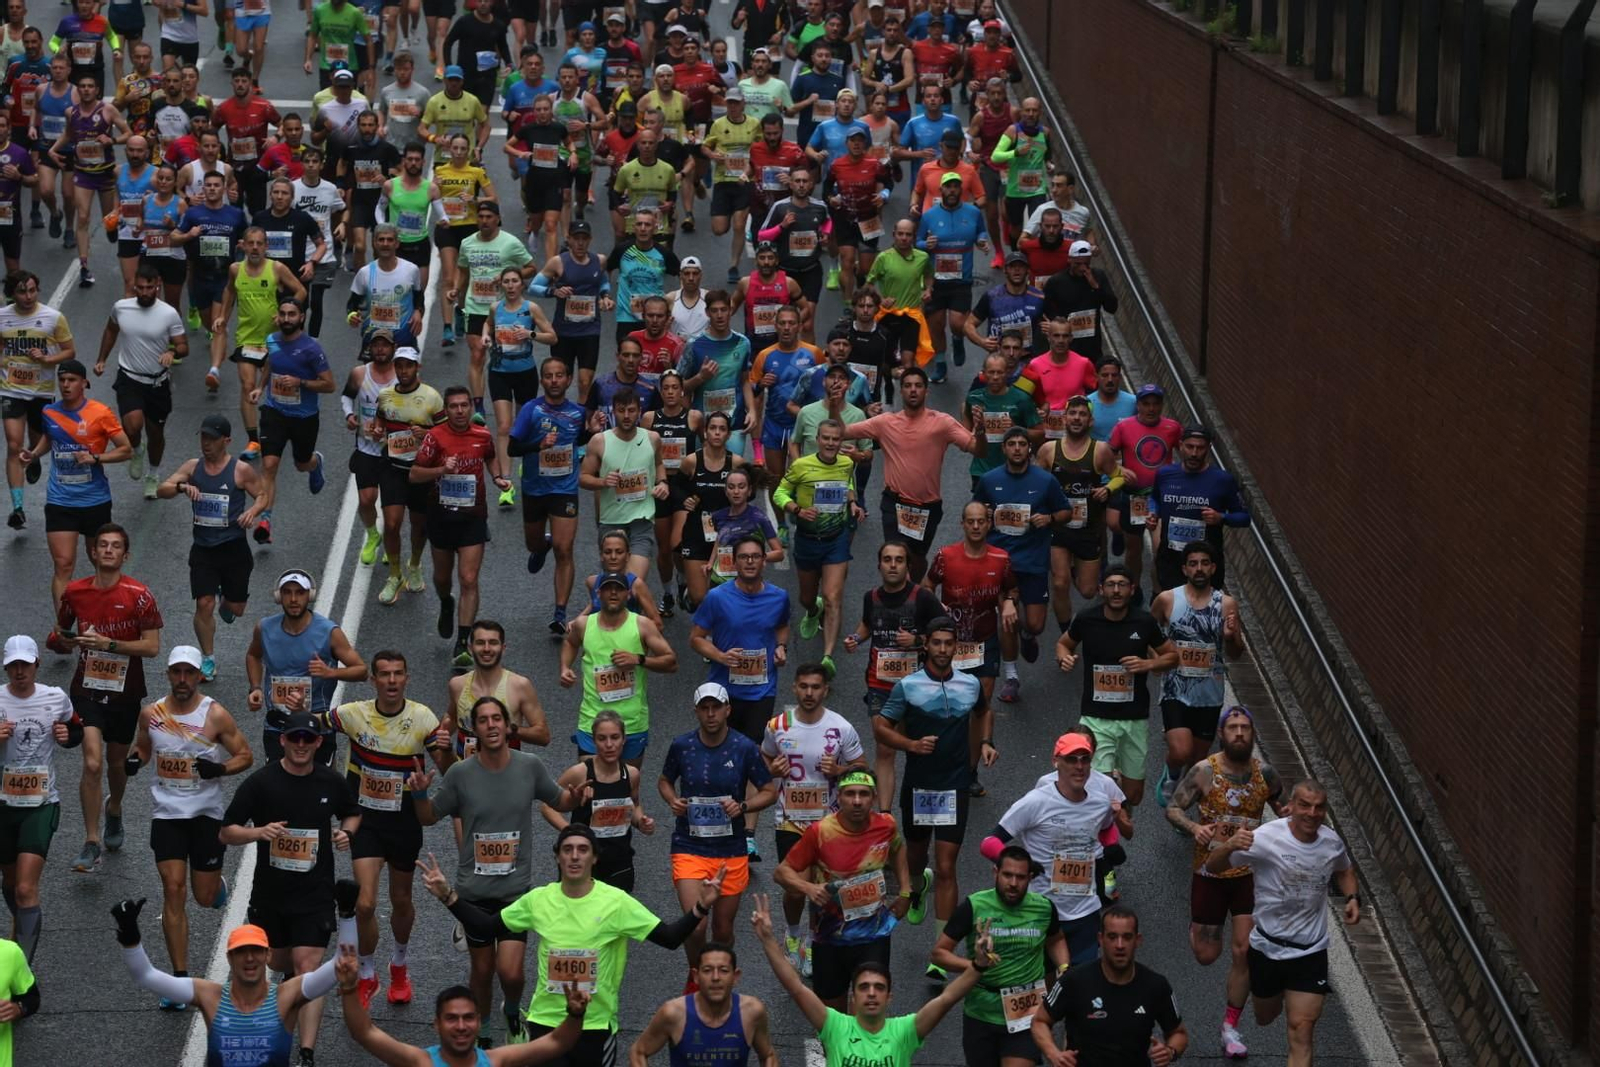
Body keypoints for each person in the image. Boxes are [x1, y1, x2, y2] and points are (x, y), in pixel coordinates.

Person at [421, 822, 732, 1066]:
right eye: (567, 849)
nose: (574, 856)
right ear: (557, 856)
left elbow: (669, 938)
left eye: (583, 850)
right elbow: (487, 927)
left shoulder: (615, 902)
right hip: (546, 1022)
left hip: (594, 1026)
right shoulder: (539, 900)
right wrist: (448, 896)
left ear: (594, 858)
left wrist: (701, 907)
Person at [408, 695, 588, 1048]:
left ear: (508, 726)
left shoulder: (530, 766)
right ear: (474, 729)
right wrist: (419, 794)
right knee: (482, 970)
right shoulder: (461, 774)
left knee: (510, 972)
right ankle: (485, 1030)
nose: (491, 725)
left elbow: (559, 800)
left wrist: (576, 797)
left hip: (514, 891)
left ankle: (512, 1010)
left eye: (497, 719)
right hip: (473, 892)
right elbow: (429, 816)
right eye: (483, 720)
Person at [218, 710, 361, 1065]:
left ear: (317, 743)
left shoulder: (330, 781)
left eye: (307, 739)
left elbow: (353, 812)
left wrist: (347, 832)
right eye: (294, 738)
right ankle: (286, 994)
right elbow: (226, 831)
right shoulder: (261, 783)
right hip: (271, 894)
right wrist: (258, 833)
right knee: (282, 963)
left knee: (308, 969)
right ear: (282, 740)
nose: (300, 745)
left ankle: (306, 1051)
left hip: (315, 893)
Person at [125, 645, 253, 1008]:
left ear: (199, 676)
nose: (182, 680)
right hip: (166, 814)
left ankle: (218, 889)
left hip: (205, 815)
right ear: (168, 675)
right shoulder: (152, 714)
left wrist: (220, 769)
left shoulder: (214, 715)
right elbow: (144, 747)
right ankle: (179, 983)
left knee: (203, 896)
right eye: (176, 673)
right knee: (173, 889)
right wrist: (137, 759)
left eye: (189, 673)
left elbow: (245, 754)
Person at [324, 649, 449, 1008]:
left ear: (406, 677)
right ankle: (366, 972)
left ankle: (399, 963)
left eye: (398, 674)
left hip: (404, 823)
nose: (392, 681)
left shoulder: (422, 718)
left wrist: (445, 752)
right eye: (384, 675)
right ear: (373, 679)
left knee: (401, 901)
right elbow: (310, 727)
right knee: (363, 905)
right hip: (366, 822)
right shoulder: (353, 714)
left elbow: (449, 767)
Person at [1202, 778, 1358, 1066]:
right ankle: (1251, 1008)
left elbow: (1345, 869)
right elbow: (1213, 866)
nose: (1312, 813)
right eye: (1305, 806)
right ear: (1290, 807)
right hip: (1267, 948)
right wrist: (1229, 845)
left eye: (1319, 808)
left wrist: (1352, 898)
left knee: (1302, 1029)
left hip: (1310, 952)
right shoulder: (1266, 838)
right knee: (1265, 1016)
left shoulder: (1331, 842)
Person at [873, 616, 993, 969]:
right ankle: (917, 885)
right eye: (937, 643)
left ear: (956, 647)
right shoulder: (907, 687)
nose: (943, 650)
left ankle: (942, 952)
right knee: (916, 858)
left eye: (948, 643)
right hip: (919, 786)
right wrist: (910, 744)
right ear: (926, 644)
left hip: (954, 785)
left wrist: (986, 742)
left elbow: (985, 712)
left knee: (946, 867)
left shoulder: (971, 685)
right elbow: (882, 729)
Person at [1162, 706, 1283, 1059]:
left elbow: (1286, 811)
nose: (1240, 733)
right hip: (1211, 871)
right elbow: (1173, 809)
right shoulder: (1204, 772)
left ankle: (1230, 1027)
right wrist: (1195, 828)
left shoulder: (1267, 776)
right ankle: (1198, 929)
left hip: (1249, 873)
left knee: (1243, 950)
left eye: (1246, 727)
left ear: (1253, 734)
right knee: (1206, 955)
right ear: (1222, 734)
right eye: (1233, 728)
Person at [750, 890, 988, 1065]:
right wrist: (767, 939)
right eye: (864, 987)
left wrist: (978, 966)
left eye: (878, 988)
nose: (871, 993)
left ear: (889, 998)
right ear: (853, 998)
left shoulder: (905, 1031)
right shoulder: (834, 1025)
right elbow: (796, 987)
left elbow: (947, 999)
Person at [116, 903, 357, 1066]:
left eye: (256, 951)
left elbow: (340, 963)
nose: (249, 958)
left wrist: (347, 915)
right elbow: (145, 976)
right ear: (230, 958)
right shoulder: (209, 997)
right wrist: (130, 939)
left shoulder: (286, 996)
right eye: (241, 952)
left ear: (268, 956)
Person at [52, 522, 160, 873]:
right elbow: (63, 632)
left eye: (116, 546)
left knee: (115, 765)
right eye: (103, 545)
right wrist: (65, 641)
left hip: (125, 693)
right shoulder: (75, 592)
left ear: (124, 555)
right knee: (93, 762)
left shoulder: (139, 595)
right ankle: (91, 840)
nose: (109, 550)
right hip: (86, 690)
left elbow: (152, 647)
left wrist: (110, 645)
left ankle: (114, 810)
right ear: (93, 552)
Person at [658, 683, 776, 982]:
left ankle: (719, 981)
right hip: (689, 846)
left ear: (727, 710)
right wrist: (672, 800)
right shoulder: (682, 746)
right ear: (696, 711)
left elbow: (769, 791)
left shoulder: (744, 748)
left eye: (716, 708)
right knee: (695, 925)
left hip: (730, 850)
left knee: (723, 929)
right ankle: (695, 976)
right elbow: (664, 780)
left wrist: (744, 806)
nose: (710, 714)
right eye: (704, 708)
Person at [758, 665, 866, 976]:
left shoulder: (841, 727)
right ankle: (793, 937)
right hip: (790, 818)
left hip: (829, 820)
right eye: (803, 686)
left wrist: (839, 771)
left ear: (825, 691)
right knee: (794, 888)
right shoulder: (778, 725)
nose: (809, 693)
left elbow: (861, 765)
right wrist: (773, 770)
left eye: (815, 687)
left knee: (822, 888)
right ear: (794, 688)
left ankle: (814, 940)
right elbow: (764, 756)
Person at [338, 942, 592, 1065]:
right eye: (452, 1018)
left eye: (468, 1017)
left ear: (479, 1022)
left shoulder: (495, 1061)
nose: (461, 1025)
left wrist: (575, 1014)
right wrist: (350, 987)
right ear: (436, 1025)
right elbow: (364, 1032)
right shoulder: (420, 1062)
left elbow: (557, 1042)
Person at [980, 732, 1114, 964]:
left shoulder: (1100, 803)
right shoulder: (1035, 802)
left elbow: (1106, 828)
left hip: (1086, 911)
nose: (1079, 766)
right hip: (1039, 910)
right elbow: (989, 843)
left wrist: (1110, 848)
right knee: (1042, 989)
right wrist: (1023, 867)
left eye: (1085, 759)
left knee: (1081, 988)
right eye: (1072, 760)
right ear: (1056, 762)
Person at [1053, 565, 1177, 809]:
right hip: (1096, 717)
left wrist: (1148, 663)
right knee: (1099, 792)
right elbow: (1063, 644)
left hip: (1134, 718)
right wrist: (1064, 658)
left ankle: (1118, 787)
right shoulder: (1087, 619)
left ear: (1132, 590)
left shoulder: (1144, 622)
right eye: (1111, 585)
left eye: (1122, 585)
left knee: (1133, 796)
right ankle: (1104, 840)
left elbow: (1172, 656)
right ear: (1101, 590)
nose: (1116, 590)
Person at [931, 845, 1067, 1067]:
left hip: (1026, 1013)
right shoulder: (974, 906)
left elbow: (1056, 939)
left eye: (1020, 877)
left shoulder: (1043, 908)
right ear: (996, 873)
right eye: (1007, 875)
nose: (1013, 883)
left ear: (1030, 878)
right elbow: (939, 954)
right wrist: (976, 965)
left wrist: (1064, 967)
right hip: (981, 1012)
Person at [843, 365, 982, 582]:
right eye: (907, 386)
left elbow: (977, 449)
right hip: (894, 503)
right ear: (901, 391)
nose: (913, 390)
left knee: (916, 560)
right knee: (896, 555)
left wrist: (980, 432)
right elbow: (841, 431)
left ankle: (914, 587)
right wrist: (836, 404)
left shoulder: (942, 422)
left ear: (926, 391)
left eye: (918, 386)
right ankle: (899, 602)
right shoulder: (885, 422)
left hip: (927, 507)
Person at [154, 414, 261, 682]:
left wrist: (253, 511)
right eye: (203, 437)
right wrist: (181, 487)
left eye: (212, 439)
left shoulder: (240, 471)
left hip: (234, 547)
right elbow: (161, 489)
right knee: (203, 603)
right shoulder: (193, 467)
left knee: (235, 610)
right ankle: (208, 659)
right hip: (203, 548)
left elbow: (263, 494)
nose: (206, 443)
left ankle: (227, 600)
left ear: (226, 441)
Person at [410, 386, 510, 667]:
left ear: (470, 407)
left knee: (468, 579)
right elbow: (415, 475)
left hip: (472, 517)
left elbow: (490, 455)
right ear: (447, 409)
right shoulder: (435, 438)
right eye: (453, 406)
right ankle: (445, 601)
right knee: (443, 578)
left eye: (464, 405)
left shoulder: (482, 435)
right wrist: (442, 470)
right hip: (440, 517)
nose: (460, 411)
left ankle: (462, 642)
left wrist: (497, 477)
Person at [0, 633, 81, 962]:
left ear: (37, 664)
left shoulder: (55, 697)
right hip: (4, 805)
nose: (19, 671)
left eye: (25, 664)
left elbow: (75, 728)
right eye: (13, 666)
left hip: (41, 804)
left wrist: (67, 736)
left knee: (25, 888)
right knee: (10, 883)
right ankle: (22, 924)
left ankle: (23, 970)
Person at [973, 425, 1070, 699]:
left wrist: (1049, 518)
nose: (1017, 448)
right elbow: (974, 510)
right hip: (1000, 563)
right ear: (1003, 449)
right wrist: (984, 513)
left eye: (1022, 444)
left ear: (1030, 449)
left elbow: (1065, 511)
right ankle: (1012, 677)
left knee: (1036, 624)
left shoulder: (1045, 481)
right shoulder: (990, 480)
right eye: (1011, 444)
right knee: (1006, 620)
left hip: (1033, 562)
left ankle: (1028, 637)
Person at [1031, 906, 1189, 1066]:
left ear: (1138, 940)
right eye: (1112, 937)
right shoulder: (1074, 981)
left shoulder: (1156, 985)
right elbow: (1040, 1021)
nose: (1119, 945)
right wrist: (1054, 1054)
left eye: (1127, 937)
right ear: (1100, 939)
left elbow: (1179, 1033)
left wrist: (1170, 1051)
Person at [30, 361, 133, 606]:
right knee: (63, 564)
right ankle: (64, 626)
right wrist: (33, 454)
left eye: (72, 380)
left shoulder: (100, 413)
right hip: (60, 500)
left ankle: (104, 614)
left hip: (94, 500)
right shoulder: (49, 412)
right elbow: (49, 439)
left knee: (100, 562)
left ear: (84, 383)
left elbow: (126, 450)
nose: (66, 385)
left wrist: (96, 457)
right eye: (62, 380)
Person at [243, 568, 367, 767]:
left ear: (309, 596)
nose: (293, 599)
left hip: (317, 724)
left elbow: (362, 670)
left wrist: (331, 672)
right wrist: (255, 688)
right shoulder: (264, 628)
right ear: (279, 596)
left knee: (320, 787)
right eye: (287, 592)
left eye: (300, 593)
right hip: (278, 725)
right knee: (279, 787)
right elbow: (253, 655)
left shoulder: (329, 632)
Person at [1151, 542, 1244, 801]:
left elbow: (1237, 654)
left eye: (1204, 563)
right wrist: (1156, 661)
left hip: (1209, 692)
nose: (1199, 569)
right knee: (1181, 752)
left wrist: (1231, 636)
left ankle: (1181, 807)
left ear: (1213, 568)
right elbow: (1149, 632)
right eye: (1193, 564)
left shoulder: (1226, 604)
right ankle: (1170, 773)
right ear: (1185, 569)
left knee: (1196, 760)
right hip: (1175, 689)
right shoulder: (1168, 599)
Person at [560, 570, 678, 767]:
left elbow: (671, 662)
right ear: (598, 594)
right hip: (592, 720)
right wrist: (564, 667)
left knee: (628, 788)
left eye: (619, 589)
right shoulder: (583, 624)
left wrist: (639, 659)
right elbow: (570, 643)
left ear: (629, 594)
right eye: (608, 589)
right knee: (591, 783)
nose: (613, 593)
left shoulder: (643, 625)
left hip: (631, 723)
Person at [922, 501, 1019, 735]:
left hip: (985, 640)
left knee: (981, 705)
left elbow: (1012, 589)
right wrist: (938, 606)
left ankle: (972, 761)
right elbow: (927, 586)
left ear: (988, 525)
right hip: (951, 643)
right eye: (971, 522)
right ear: (962, 524)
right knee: (949, 704)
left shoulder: (1001, 559)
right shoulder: (945, 556)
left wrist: (1008, 602)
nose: (976, 526)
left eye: (981, 521)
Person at [211, 229, 309, 460]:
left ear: (266, 246)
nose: (255, 248)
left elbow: (300, 290)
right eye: (250, 244)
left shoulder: (276, 268)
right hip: (247, 339)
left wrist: (287, 313)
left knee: (278, 388)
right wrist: (222, 316)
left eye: (259, 244)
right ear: (243, 246)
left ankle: (285, 428)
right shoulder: (236, 269)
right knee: (247, 385)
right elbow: (229, 291)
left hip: (275, 340)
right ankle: (254, 440)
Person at [689, 532, 791, 752]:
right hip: (725, 689)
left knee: (752, 750)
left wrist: (781, 647)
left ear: (765, 560)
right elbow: (696, 638)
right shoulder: (716, 597)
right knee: (724, 749)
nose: (750, 561)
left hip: (763, 689)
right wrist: (720, 657)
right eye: (744, 557)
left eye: (756, 556)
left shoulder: (779, 597)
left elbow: (782, 625)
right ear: (734, 562)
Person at [506, 357, 587, 634]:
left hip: (564, 488)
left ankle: (560, 612)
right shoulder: (531, 409)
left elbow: (584, 438)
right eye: (549, 376)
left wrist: (595, 429)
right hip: (534, 489)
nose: (554, 380)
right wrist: (537, 445)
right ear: (542, 381)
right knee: (532, 544)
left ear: (569, 380)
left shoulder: (578, 413)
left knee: (565, 550)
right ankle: (542, 545)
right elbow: (512, 449)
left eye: (559, 375)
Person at [775, 417, 862, 672]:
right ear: (817, 439)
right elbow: (779, 492)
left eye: (836, 439)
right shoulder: (802, 465)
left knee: (834, 596)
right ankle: (814, 610)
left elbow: (847, 484)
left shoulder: (846, 463)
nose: (831, 443)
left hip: (836, 538)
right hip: (808, 539)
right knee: (806, 598)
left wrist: (853, 503)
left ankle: (827, 657)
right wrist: (798, 510)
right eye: (826, 438)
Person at [94, 264, 185, 501]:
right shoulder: (121, 308)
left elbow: (183, 345)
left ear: (158, 286)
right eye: (140, 288)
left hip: (157, 382)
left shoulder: (169, 313)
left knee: (156, 434)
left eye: (149, 288)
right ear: (134, 285)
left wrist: (173, 352)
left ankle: (153, 475)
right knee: (132, 425)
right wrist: (102, 359)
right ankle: (136, 450)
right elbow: (111, 330)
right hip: (130, 378)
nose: (144, 293)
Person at [251, 298, 333, 545]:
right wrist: (259, 387)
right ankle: (265, 519)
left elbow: (329, 385)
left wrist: (301, 383)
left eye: (292, 314)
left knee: (301, 463)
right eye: (283, 314)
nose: (287, 319)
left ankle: (315, 463)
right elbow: (269, 365)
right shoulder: (272, 340)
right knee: (269, 464)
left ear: (301, 318)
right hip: (274, 411)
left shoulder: (312, 349)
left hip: (304, 417)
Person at [1037, 395, 1119, 640]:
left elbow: (1118, 475)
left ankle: (1076, 570)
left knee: (1087, 591)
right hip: (1058, 528)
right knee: (1060, 584)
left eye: (1082, 414)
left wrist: (1108, 488)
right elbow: (1035, 482)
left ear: (1090, 421)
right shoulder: (1049, 450)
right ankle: (1067, 634)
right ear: (1064, 417)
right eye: (1072, 413)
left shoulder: (1100, 450)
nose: (1076, 418)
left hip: (1088, 529)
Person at [545, 710, 656, 892]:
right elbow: (547, 806)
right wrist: (569, 831)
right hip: (583, 864)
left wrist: (642, 821)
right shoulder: (580, 773)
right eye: (602, 739)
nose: (609, 745)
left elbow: (634, 804)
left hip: (620, 862)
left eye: (615, 737)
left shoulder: (631, 774)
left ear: (623, 740)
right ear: (594, 741)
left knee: (617, 919)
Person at [1, 271, 74, 532]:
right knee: (13, 444)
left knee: (36, 441)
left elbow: (69, 350)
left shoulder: (53, 318)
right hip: (11, 389)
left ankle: (33, 458)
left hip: (41, 392)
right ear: (13, 293)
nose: (28, 296)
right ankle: (18, 508)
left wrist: (46, 359)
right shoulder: (2, 318)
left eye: (32, 290)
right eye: (22, 291)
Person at [629, 941, 777, 1065]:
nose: (715, 977)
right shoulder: (673, 1013)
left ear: (735, 976)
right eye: (707, 970)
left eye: (724, 970)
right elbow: (638, 1051)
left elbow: (768, 1055)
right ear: (696, 976)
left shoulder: (752, 1012)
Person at [375, 346, 444, 606]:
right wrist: (376, 430)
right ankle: (394, 575)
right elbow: (380, 423)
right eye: (399, 366)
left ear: (418, 368)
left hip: (421, 471)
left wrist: (426, 436)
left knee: (419, 524)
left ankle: (414, 564)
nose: (403, 371)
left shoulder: (432, 398)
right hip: (392, 467)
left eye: (408, 366)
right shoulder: (385, 396)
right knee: (392, 524)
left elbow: (445, 433)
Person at [579, 386, 669, 579]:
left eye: (631, 410)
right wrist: (603, 482)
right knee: (615, 584)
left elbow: (659, 464)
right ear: (613, 411)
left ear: (639, 412)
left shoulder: (652, 438)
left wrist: (663, 483)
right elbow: (583, 477)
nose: (626, 416)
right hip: (612, 520)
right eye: (621, 410)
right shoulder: (599, 441)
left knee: (634, 582)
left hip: (641, 519)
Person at [1150, 426, 1250, 593]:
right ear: (1180, 445)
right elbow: (1154, 498)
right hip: (1172, 559)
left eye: (1200, 448)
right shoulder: (1165, 474)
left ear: (1209, 448)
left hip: (1206, 564)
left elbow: (1244, 518)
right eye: (1190, 447)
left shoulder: (1223, 480)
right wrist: (1152, 513)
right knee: (1173, 611)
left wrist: (1221, 517)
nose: (1194, 453)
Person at [1105, 384, 1182, 596]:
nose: (1151, 409)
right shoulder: (1124, 427)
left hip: (1160, 498)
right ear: (1138, 405)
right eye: (1146, 404)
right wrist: (1119, 470)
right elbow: (1106, 456)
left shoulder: (1172, 427)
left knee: (1160, 549)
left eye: (1155, 404)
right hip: (1134, 496)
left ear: (1161, 405)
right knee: (1134, 548)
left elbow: (1186, 453)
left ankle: (1158, 593)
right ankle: (1134, 588)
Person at [915, 170, 990, 379]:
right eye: (948, 187)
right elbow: (917, 242)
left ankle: (958, 339)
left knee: (958, 323)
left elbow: (981, 232)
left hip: (961, 279)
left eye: (956, 186)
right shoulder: (929, 216)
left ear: (961, 190)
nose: (952, 190)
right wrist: (925, 244)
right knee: (936, 325)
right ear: (941, 190)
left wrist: (982, 240)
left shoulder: (973, 212)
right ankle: (940, 364)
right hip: (936, 280)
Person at [441, 620, 550, 760]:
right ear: (470, 648)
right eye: (480, 643)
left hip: (505, 777)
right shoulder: (457, 685)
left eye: (493, 643)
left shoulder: (519, 686)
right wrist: (442, 734)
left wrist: (513, 730)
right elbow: (452, 718)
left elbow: (543, 736)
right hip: (467, 777)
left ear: (503, 648)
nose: (487, 649)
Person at [533, 219, 613, 404]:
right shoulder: (557, 262)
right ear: (568, 239)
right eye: (576, 238)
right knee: (559, 382)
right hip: (564, 332)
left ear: (590, 239)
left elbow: (603, 282)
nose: (580, 243)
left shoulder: (599, 260)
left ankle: (581, 421)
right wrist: (553, 291)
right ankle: (559, 415)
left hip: (590, 331)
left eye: (584, 238)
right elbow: (534, 286)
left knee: (585, 382)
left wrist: (605, 296)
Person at [1041, 239, 1117, 365]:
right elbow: (1044, 309)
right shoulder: (1056, 282)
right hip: (1066, 347)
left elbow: (1112, 307)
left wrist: (1096, 287)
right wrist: (1053, 325)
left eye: (1086, 264)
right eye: (1078, 264)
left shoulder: (1098, 276)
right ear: (1069, 260)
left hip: (1092, 348)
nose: (1082, 268)